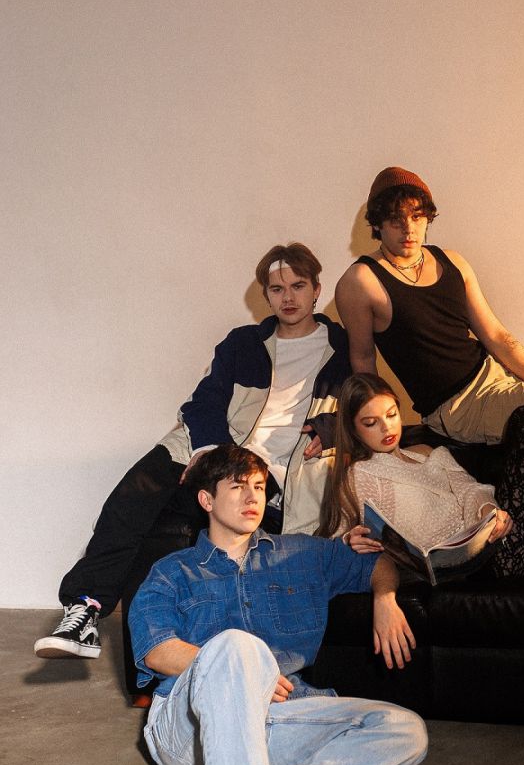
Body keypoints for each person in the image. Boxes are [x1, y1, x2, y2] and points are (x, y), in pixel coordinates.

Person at [129, 444, 427, 765]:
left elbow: (376, 565)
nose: (253, 497)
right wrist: (249, 671)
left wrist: (385, 600)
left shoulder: (302, 554)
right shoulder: (172, 571)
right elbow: (157, 650)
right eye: (237, 487)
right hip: (189, 732)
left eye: (259, 486)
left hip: (282, 719)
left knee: (405, 731)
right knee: (237, 645)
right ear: (206, 500)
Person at [35, 242, 351, 661]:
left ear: (316, 290)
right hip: (213, 448)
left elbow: (369, 404)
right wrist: (209, 449)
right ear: (266, 295)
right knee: (135, 495)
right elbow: (203, 402)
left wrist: (333, 428)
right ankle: (85, 610)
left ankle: (156, 648)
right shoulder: (243, 343)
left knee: (161, 526)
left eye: (298, 286)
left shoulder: (340, 346)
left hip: (272, 472)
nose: (288, 298)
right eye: (277, 289)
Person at [334, 166, 524, 448]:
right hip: (461, 405)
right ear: (377, 224)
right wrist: (373, 429)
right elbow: (363, 359)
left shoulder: (452, 261)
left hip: (493, 367)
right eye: (396, 219)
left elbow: (496, 336)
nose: (409, 228)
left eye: (417, 216)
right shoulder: (360, 282)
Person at [318, 374, 524, 576]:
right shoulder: (359, 474)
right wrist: (349, 540)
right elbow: (339, 536)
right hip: (486, 568)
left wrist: (489, 511)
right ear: (353, 429)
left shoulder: (427, 451)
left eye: (391, 414)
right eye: (371, 423)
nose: (387, 427)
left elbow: (471, 489)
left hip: (494, 543)